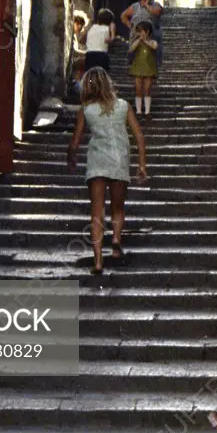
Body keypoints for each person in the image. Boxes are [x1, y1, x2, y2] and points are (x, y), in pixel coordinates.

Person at [67, 67, 147, 275]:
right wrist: (141, 164)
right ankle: (116, 239)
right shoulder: (123, 106)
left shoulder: (86, 110)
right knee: (118, 207)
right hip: (119, 159)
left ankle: (98, 262)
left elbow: (75, 142)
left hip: (97, 163)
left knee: (97, 214)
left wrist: (72, 157)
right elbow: (139, 136)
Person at [128, 20, 159, 119]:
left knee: (147, 89)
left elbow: (154, 47)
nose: (140, 33)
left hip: (149, 68)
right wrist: (138, 40)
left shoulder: (153, 41)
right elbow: (131, 49)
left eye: (142, 31)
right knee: (138, 89)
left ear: (147, 31)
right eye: (138, 31)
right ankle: (138, 111)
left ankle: (147, 112)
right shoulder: (137, 42)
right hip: (138, 67)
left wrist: (145, 40)